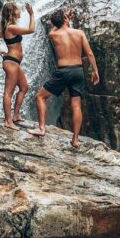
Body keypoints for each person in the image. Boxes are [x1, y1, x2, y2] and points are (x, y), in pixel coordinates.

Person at [28, 8, 99, 148]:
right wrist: (95, 71)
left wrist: (62, 20)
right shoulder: (79, 33)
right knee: (76, 106)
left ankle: (42, 129)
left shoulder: (53, 34)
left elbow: (57, 26)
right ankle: (75, 139)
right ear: (66, 19)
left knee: (40, 97)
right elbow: (89, 53)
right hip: (78, 71)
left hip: (63, 71)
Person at [0, 2, 35, 131]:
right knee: (8, 92)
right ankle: (8, 121)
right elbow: (31, 29)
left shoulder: (8, 27)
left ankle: (15, 116)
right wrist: (31, 14)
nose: (20, 11)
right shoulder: (11, 27)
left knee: (24, 87)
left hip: (14, 62)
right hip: (11, 62)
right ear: (12, 13)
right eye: (18, 9)